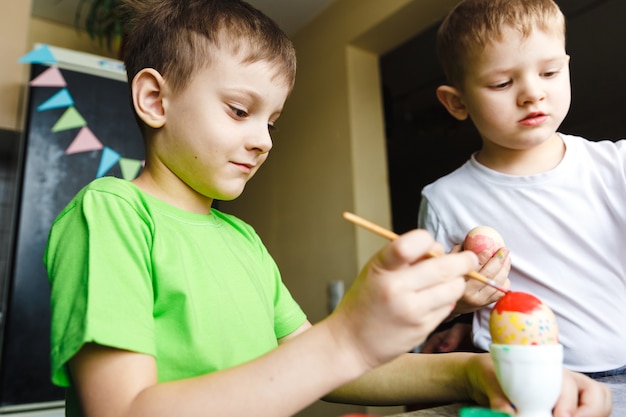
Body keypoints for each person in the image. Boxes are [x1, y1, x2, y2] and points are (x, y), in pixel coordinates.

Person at [44, 1, 612, 416]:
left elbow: (324, 366)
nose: (264, 140)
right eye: (240, 111)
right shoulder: (114, 212)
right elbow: (121, 410)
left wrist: (475, 370)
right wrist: (348, 337)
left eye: (272, 121)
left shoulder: (241, 240)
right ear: (154, 99)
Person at [418, 0, 626, 377]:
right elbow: (423, 302)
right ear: (456, 102)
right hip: (514, 378)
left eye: (549, 72)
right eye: (502, 82)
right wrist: (460, 308)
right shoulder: (445, 200)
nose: (533, 93)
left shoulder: (616, 165)